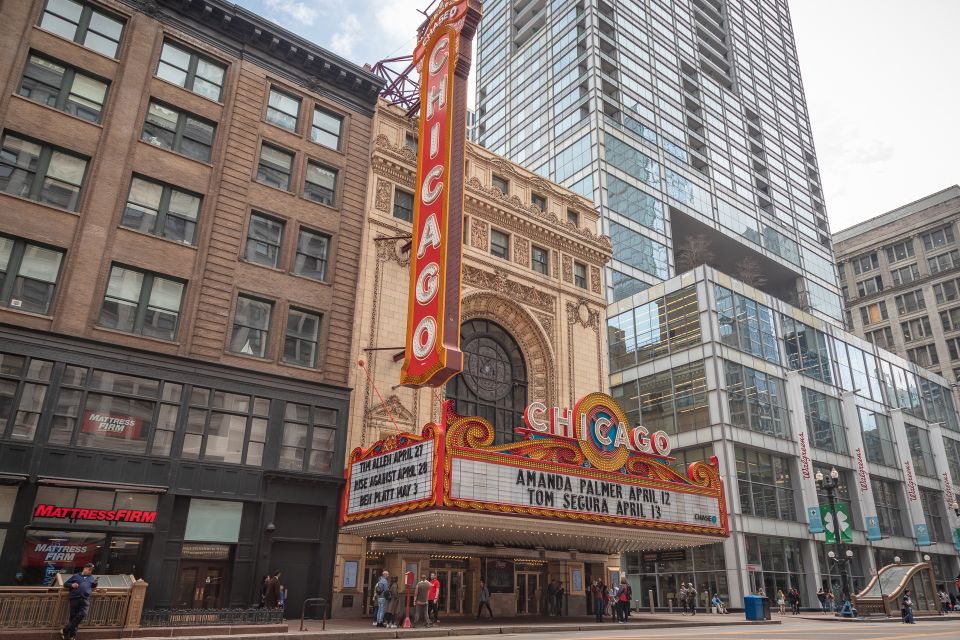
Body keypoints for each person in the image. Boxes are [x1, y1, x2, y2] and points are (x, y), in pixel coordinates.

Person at [62, 562, 99, 640]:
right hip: (74, 598)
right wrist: (72, 585)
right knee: (73, 617)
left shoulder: (91, 577)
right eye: (89, 569)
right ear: (85, 568)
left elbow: (92, 586)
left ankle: (65, 630)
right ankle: (71, 636)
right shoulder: (76, 576)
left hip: (85, 599)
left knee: (83, 614)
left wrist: (95, 583)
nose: (90, 571)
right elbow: (65, 584)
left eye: (91, 570)